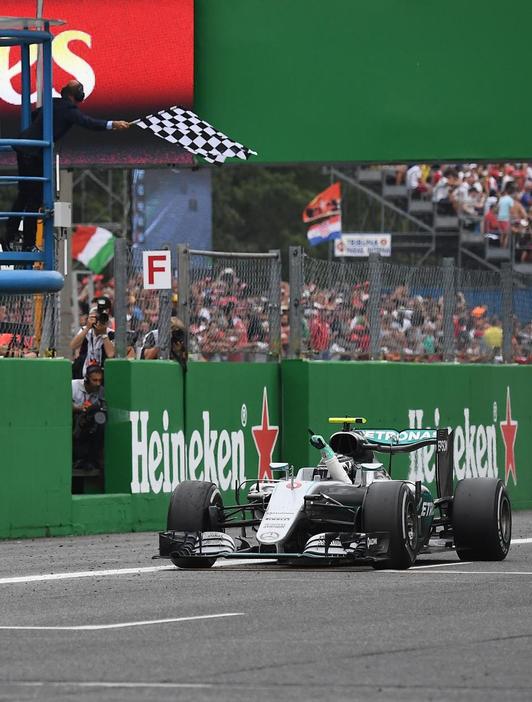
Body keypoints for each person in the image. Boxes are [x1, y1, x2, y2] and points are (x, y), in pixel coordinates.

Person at [3, 80, 130, 251]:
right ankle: (28, 244)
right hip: (33, 153)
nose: (82, 91)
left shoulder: (54, 103)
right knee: (33, 199)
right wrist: (112, 124)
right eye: (79, 89)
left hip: (25, 147)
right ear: (72, 94)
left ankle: (10, 235)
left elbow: (35, 115)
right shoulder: (69, 110)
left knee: (24, 195)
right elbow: (88, 122)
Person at [72, 364, 106, 473]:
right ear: (86, 379)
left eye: (100, 380)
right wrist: (79, 408)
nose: (97, 383)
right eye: (94, 380)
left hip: (90, 423)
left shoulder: (101, 391)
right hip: (75, 418)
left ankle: (92, 459)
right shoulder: (73, 386)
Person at [70, 304, 115, 378]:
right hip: (82, 374)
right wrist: (87, 327)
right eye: (96, 318)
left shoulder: (110, 334)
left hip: (102, 376)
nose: (98, 321)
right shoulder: (85, 330)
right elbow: (73, 346)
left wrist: (104, 334)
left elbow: (110, 354)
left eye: (101, 318)